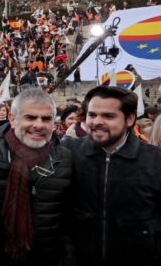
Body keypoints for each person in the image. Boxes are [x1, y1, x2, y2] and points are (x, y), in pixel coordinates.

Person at [64, 86, 161, 265]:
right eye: (92, 115)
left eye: (108, 116)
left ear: (130, 119)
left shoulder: (155, 161)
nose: (97, 121)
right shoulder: (68, 153)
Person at [0, 88, 72, 266]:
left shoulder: (65, 158)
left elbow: (69, 219)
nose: (39, 125)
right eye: (30, 117)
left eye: (46, 118)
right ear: (12, 119)